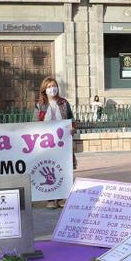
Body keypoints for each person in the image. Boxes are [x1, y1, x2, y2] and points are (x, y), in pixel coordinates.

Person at [34, 77, 75, 208]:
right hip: (46, 144)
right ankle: (51, 199)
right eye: (49, 86)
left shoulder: (64, 103)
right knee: (49, 169)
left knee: (63, 169)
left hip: (62, 143)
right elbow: (34, 123)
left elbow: (71, 119)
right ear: (44, 89)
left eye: (54, 86)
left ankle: (62, 197)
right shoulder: (40, 105)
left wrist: (73, 128)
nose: (52, 88)